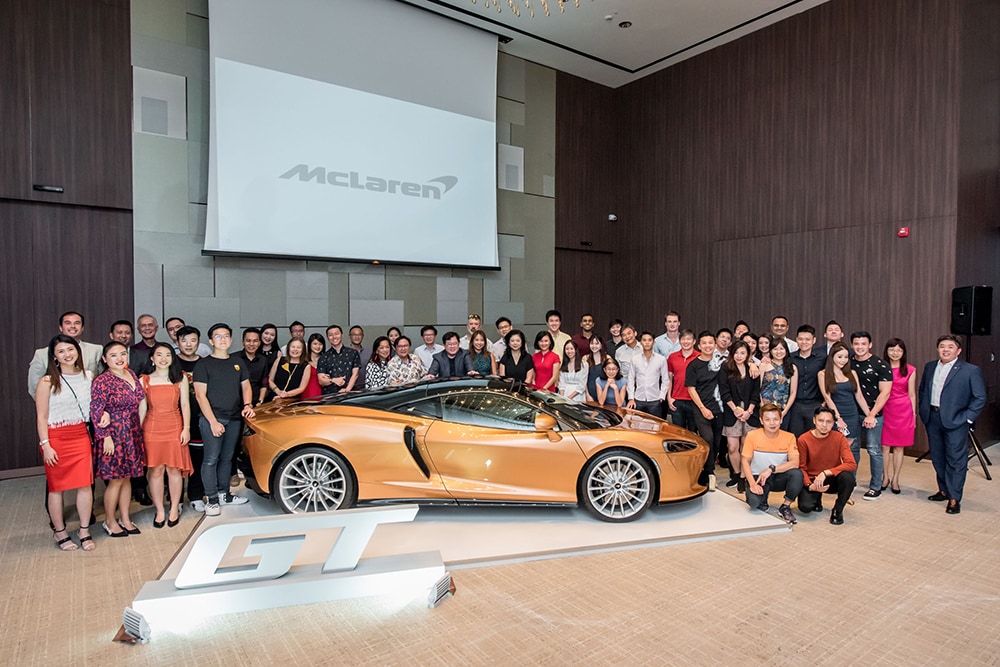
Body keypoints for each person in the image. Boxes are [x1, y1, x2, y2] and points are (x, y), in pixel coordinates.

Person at [35, 335, 96, 551]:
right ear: (54, 356)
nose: (67, 354)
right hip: (56, 437)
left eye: (70, 349)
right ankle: (60, 532)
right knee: (56, 488)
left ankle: (84, 530)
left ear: (78, 350)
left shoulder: (88, 376)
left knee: (84, 485)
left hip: (80, 435)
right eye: (61, 351)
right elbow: (41, 416)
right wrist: (46, 444)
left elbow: (93, 408)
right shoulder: (47, 381)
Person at [918, 334, 987, 515]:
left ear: (958, 350)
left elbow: (979, 397)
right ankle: (943, 490)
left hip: (957, 421)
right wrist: (922, 410)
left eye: (950, 346)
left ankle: (954, 498)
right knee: (938, 456)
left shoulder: (970, 370)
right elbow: (923, 389)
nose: (945, 349)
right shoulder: (930, 366)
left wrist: (967, 418)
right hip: (932, 418)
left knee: (956, 460)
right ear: (937, 348)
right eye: (942, 346)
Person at [193, 323, 255, 516]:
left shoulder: (237, 362)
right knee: (211, 459)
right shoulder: (203, 364)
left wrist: (247, 405)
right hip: (212, 419)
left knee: (227, 459)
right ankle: (211, 499)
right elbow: (200, 396)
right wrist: (212, 422)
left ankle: (224, 494)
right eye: (218, 336)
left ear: (231, 339)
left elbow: (246, 386)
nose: (223, 339)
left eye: (226, 336)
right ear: (211, 341)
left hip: (234, 418)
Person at [90, 341, 145, 537]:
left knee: (127, 477)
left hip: (132, 432)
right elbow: (96, 412)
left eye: (123, 354)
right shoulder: (102, 381)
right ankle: (109, 521)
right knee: (115, 480)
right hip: (113, 434)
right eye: (113, 355)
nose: (120, 358)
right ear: (105, 359)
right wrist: (105, 438)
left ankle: (125, 518)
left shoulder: (130, 374)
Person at [138, 342, 192, 529]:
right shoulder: (144, 379)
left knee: (174, 469)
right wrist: (137, 431)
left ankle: (175, 508)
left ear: (172, 358)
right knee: (156, 470)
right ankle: (160, 510)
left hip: (175, 426)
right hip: (151, 428)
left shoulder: (180, 378)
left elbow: (185, 404)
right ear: (152, 358)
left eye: (167, 355)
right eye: (159, 355)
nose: (163, 359)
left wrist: (186, 428)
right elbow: (142, 407)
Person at [740, 403, 802, 524]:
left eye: (775, 419)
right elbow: (745, 461)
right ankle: (763, 500)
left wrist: (771, 469)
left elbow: (795, 463)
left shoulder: (789, 437)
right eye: (767, 420)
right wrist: (752, 484)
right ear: (761, 421)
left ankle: (785, 506)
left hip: (778, 476)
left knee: (797, 474)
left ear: (781, 420)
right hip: (758, 477)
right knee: (753, 503)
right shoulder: (752, 435)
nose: (772, 423)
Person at [797, 406, 857, 525]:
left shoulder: (839, 438)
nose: (824, 425)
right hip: (813, 479)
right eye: (821, 421)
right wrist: (809, 486)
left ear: (833, 423)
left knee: (848, 478)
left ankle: (837, 510)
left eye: (828, 422)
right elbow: (801, 467)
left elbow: (851, 464)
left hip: (831, 478)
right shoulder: (803, 439)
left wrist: (825, 473)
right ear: (814, 420)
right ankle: (816, 498)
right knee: (805, 507)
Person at [849, 331, 892, 498]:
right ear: (852, 345)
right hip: (852, 414)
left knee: (874, 450)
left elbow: (885, 393)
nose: (860, 347)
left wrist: (871, 414)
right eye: (856, 344)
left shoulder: (880, 365)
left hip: (875, 414)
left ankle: (876, 486)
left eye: (863, 344)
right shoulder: (848, 363)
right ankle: (850, 482)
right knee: (852, 449)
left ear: (870, 345)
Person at [819, 342, 871, 477]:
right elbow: (827, 397)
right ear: (832, 357)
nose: (843, 360)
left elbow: (859, 395)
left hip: (852, 414)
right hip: (835, 415)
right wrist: (838, 418)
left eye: (846, 357)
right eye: (840, 357)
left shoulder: (852, 373)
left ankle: (850, 480)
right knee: (834, 449)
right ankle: (834, 479)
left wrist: (869, 415)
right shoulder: (823, 374)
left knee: (851, 449)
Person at [28, 311, 103, 399]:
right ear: (60, 327)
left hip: (90, 405)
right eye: (68, 323)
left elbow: (102, 381)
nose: (72, 326)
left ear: (82, 328)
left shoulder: (97, 350)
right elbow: (34, 387)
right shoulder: (42, 354)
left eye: (77, 323)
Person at [719, 341, 760, 491]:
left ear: (748, 354)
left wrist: (749, 411)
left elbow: (756, 393)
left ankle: (744, 477)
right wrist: (735, 410)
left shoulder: (753, 369)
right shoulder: (726, 367)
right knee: (732, 447)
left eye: (743, 353)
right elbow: (724, 391)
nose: (739, 356)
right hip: (732, 412)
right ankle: (736, 474)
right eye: (736, 352)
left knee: (746, 447)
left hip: (750, 412)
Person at [686, 331, 724, 491]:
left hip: (720, 408)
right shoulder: (693, 365)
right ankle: (710, 473)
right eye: (704, 343)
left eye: (711, 342)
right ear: (699, 346)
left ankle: (708, 469)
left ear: (715, 345)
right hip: (701, 408)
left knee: (716, 441)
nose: (708, 346)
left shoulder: (722, 363)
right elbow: (691, 389)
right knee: (707, 439)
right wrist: (702, 408)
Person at [175, 326, 206, 511]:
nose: (188, 344)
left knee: (198, 459)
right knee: (175, 462)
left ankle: (195, 495)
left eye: (193, 340)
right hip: (175, 419)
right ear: (177, 342)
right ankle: (176, 499)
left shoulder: (205, 363)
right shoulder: (171, 363)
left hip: (199, 418)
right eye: (184, 340)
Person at [881, 338, 916, 493]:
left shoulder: (910, 369)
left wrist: (914, 415)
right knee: (884, 446)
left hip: (903, 411)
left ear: (903, 352)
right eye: (892, 349)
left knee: (899, 447)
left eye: (899, 350)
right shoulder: (881, 367)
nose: (895, 353)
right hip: (885, 408)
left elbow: (912, 394)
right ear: (886, 351)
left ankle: (895, 478)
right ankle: (885, 477)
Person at [787, 325, 827, 436]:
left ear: (814, 340)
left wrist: (826, 400)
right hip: (795, 405)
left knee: (815, 438)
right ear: (796, 340)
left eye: (807, 339)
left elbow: (829, 378)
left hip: (815, 404)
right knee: (796, 438)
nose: (804, 342)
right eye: (800, 339)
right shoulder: (790, 358)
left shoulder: (822, 358)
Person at [626, 331, 669, 417]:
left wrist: (662, 396)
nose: (647, 343)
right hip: (638, 399)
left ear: (654, 342)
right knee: (638, 426)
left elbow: (665, 379)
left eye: (649, 340)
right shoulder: (635, 359)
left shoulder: (661, 359)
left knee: (655, 428)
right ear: (641, 342)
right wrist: (631, 397)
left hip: (655, 400)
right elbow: (630, 379)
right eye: (644, 340)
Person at [667, 330, 699, 431]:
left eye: (689, 339)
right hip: (677, 400)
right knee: (678, 432)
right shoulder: (672, 357)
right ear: (679, 341)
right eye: (683, 339)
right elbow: (669, 379)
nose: (686, 341)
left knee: (693, 432)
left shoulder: (700, 357)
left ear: (694, 341)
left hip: (694, 400)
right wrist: (669, 397)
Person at [759, 338, 797, 423]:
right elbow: (758, 389)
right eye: (775, 349)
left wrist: (784, 411)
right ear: (771, 351)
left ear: (786, 350)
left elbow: (793, 392)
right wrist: (762, 408)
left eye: (781, 349)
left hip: (783, 409)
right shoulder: (763, 365)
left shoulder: (792, 367)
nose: (778, 352)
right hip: (765, 409)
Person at [316, 325, 360, 395]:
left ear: (342, 335)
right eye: (330, 335)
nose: (334, 337)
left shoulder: (353, 353)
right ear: (327, 337)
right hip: (330, 397)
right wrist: (333, 380)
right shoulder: (323, 357)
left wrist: (347, 390)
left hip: (350, 395)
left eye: (337, 334)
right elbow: (321, 380)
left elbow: (355, 374)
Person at [235, 327, 268, 406]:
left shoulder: (263, 360)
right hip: (235, 404)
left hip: (256, 403)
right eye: (248, 341)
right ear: (243, 342)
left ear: (259, 342)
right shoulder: (234, 358)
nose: (251, 344)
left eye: (255, 341)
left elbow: (264, 383)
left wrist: (260, 401)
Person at [584, 334, 609, 402]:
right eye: (592, 343)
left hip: (604, 392)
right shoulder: (585, 358)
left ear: (601, 345)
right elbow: (583, 379)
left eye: (597, 343)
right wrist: (587, 394)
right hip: (590, 392)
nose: (594, 346)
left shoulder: (607, 358)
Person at [302, 333, 326, 399]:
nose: (318, 346)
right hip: (306, 391)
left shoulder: (326, 360)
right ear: (310, 344)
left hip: (322, 392)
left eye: (320, 344)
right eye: (315, 344)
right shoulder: (303, 360)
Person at [348, 326, 372, 390]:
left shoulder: (369, 353)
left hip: (366, 388)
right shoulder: (345, 353)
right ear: (350, 336)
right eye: (354, 335)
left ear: (363, 336)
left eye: (359, 334)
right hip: (349, 389)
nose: (357, 337)